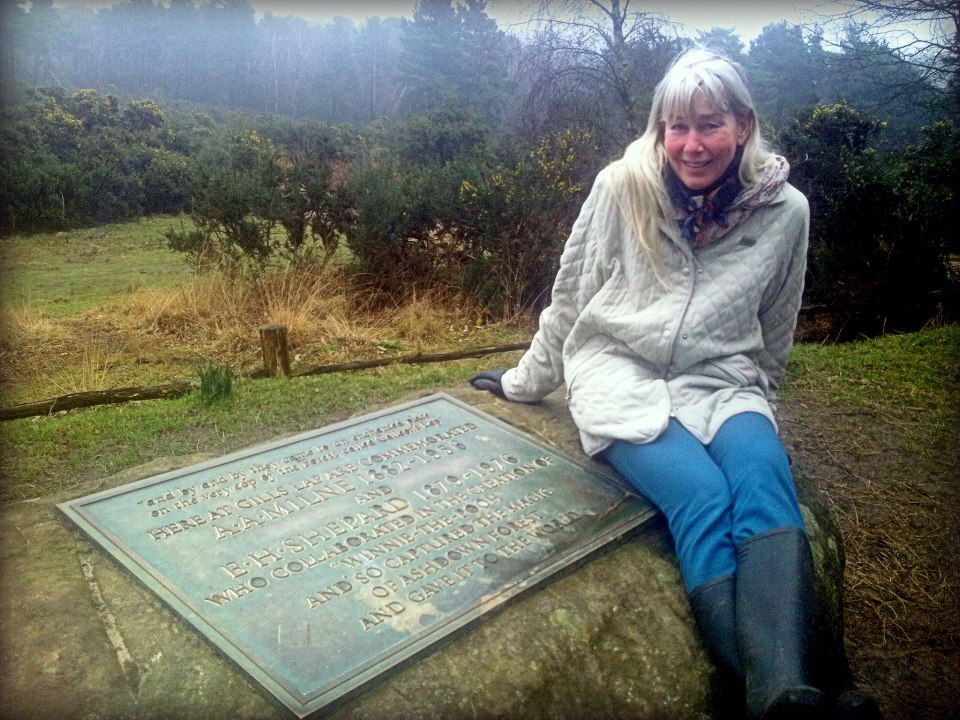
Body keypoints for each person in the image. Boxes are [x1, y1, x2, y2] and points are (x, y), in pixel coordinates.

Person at [470, 48, 880, 720]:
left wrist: (756, 410)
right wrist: (525, 380)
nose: (692, 145)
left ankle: (785, 695)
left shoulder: (788, 212)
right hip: (619, 378)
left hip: (724, 381)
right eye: (677, 127)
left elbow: (777, 323)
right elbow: (571, 296)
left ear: (743, 126)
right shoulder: (620, 187)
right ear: (659, 129)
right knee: (702, 497)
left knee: (761, 478)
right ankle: (797, 698)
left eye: (709, 125)